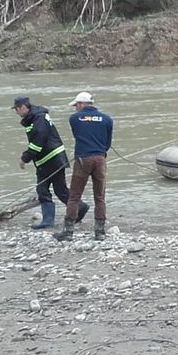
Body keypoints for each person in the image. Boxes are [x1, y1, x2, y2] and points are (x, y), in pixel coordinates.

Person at [13, 96, 86, 230]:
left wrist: (24, 158)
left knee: (44, 189)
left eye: (16, 109)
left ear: (23, 107)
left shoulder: (38, 118)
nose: (16, 112)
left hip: (50, 159)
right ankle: (79, 208)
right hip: (51, 159)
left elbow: (38, 142)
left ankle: (48, 220)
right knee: (59, 190)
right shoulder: (35, 117)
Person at [55, 91, 113, 242]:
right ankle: (100, 232)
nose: (75, 108)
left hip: (83, 159)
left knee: (74, 196)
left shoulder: (74, 119)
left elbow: (77, 135)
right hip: (100, 159)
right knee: (100, 197)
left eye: (76, 105)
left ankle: (68, 232)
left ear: (81, 104)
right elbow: (107, 143)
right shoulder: (107, 119)